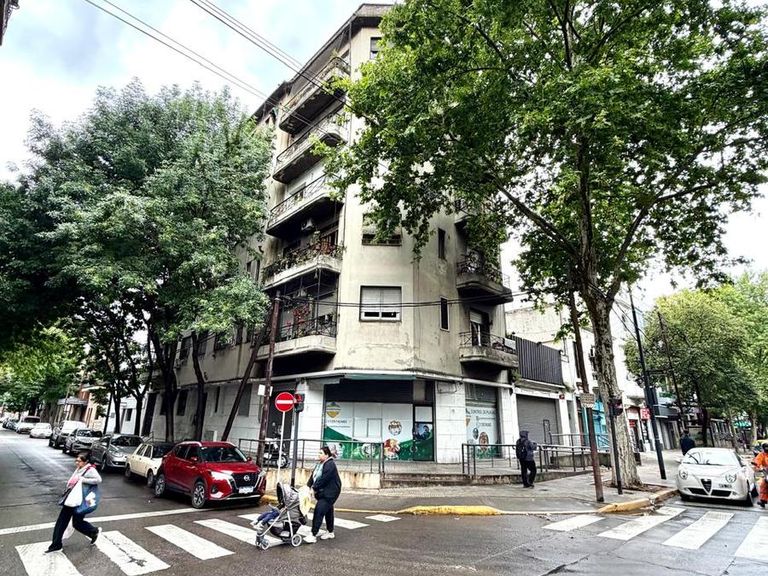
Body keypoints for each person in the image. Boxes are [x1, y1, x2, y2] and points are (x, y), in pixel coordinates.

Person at [46, 453, 102, 553]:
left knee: (74, 523)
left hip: (79, 500)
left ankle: (93, 531)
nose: (77, 463)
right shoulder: (79, 468)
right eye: (76, 460)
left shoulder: (90, 469)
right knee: (65, 522)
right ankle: (56, 544)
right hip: (71, 499)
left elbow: (98, 480)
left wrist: (83, 480)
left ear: (86, 462)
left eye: (79, 461)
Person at [304, 446, 342, 543]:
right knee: (328, 510)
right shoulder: (320, 464)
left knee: (319, 510)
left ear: (327, 455)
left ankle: (313, 535)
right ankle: (330, 532)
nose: (319, 455)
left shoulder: (330, 465)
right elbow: (313, 476)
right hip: (323, 492)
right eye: (318, 453)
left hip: (330, 493)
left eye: (321, 453)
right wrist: (308, 486)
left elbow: (323, 479)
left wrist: (313, 488)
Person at [752, 442, 768, 508]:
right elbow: (757, 460)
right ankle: (763, 501)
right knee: (763, 485)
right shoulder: (762, 454)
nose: (767, 449)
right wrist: (756, 464)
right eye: (766, 447)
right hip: (767, 472)